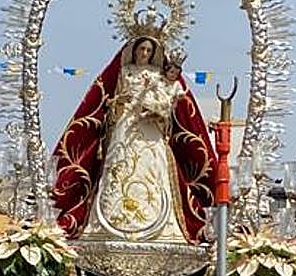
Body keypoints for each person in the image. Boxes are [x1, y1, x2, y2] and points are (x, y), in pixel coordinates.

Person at [50, 31, 217, 242]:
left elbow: (170, 103)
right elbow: (110, 101)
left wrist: (157, 109)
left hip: (150, 127)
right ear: (134, 50)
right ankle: (109, 220)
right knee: (119, 161)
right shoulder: (125, 72)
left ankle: (158, 222)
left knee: (152, 165)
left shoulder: (160, 75)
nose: (144, 53)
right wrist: (119, 102)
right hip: (126, 122)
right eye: (141, 49)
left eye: (149, 50)